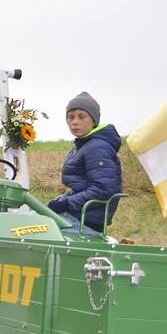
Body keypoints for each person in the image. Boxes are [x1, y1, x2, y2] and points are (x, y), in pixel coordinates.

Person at [47, 92, 122, 234]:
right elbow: (80, 187)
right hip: (78, 214)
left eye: (81, 117)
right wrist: (61, 200)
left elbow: (103, 189)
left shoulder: (97, 148)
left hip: (86, 220)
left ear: (93, 120)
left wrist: (66, 203)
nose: (75, 121)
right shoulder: (81, 146)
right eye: (70, 117)